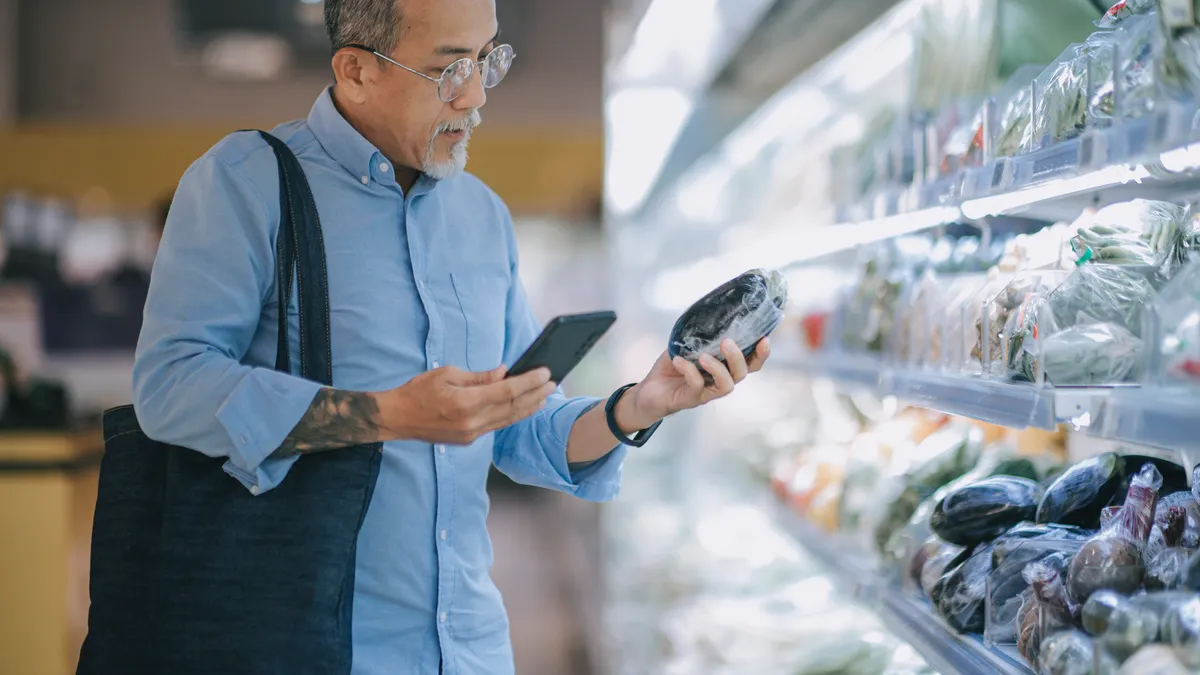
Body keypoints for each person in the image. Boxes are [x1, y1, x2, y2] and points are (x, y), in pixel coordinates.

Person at [122, 0, 770, 673]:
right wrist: (387, 415)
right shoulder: (245, 184)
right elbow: (170, 385)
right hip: (302, 645)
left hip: (469, 650)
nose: (477, 93)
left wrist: (640, 403)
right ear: (356, 70)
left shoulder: (482, 216)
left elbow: (523, 426)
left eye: (488, 57)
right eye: (448, 67)